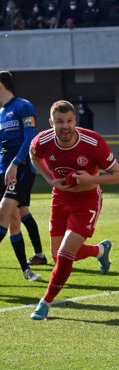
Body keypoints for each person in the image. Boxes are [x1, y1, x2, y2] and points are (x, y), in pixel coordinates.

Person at [29, 100, 119, 320]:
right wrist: (49, 179)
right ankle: (101, 251)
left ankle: (45, 302)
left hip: (87, 200)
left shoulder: (93, 142)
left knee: (64, 255)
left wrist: (92, 178)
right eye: (60, 121)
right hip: (60, 198)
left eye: (70, 121)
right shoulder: (41, 141)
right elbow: (34, 156)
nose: (65, 126)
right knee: (57, 255)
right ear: (51, 122)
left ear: (75, 121)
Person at [0, 71, 46, 280]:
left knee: (4, 213)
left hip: (21, 170)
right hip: (3, 171)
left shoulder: (23, 106)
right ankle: (26, 270)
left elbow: (30, 139)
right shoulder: (1, 112)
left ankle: (37, 255)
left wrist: (15, 164)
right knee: (14, 220)